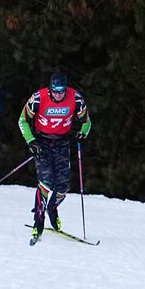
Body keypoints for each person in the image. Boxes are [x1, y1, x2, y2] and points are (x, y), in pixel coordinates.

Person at [19, 69, 91, 236]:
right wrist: (31, 141)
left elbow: (86, 121)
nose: (58, 95)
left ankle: (52, 208)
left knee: (63, 186)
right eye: (55, 91)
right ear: (50, 89)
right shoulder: (38, 98)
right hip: (42, 142)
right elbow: (22, 120)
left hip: (62, 142)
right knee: (46, 180)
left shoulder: (75, 98)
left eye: (61, 92)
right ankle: (39, 219)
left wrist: (83, 132)